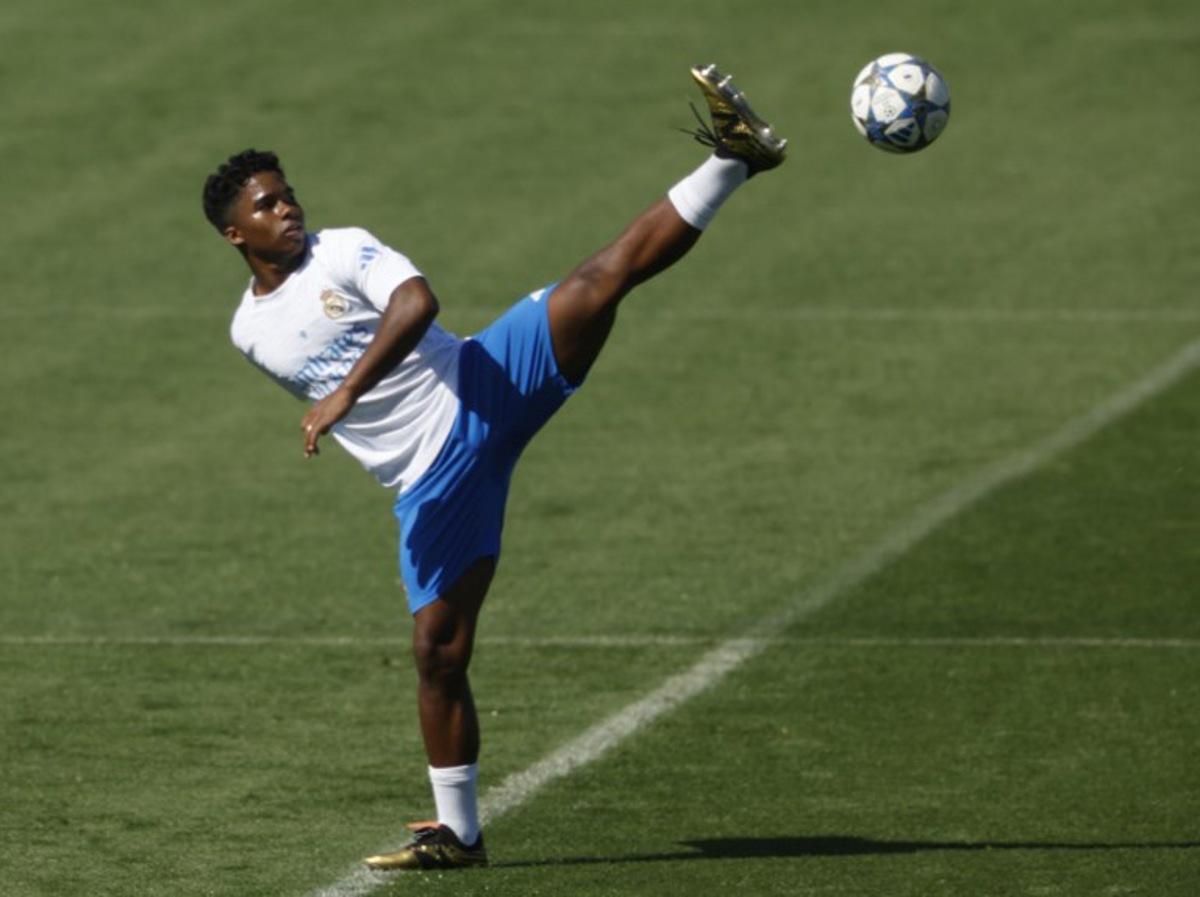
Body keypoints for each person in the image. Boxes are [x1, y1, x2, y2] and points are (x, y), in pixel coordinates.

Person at [203, 64, 786, 871]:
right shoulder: (248, 332)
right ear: (236, 234)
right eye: (266, 205)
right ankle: (459, 833)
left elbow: (417, 305)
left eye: (288, 192)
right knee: (438, 653)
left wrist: (344, 392)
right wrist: (353, 402)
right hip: (434, 479)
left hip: (480, 382)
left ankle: (734, 160)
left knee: (599, 278)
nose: (288, 209)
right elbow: (365, 404)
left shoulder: (341, 250)